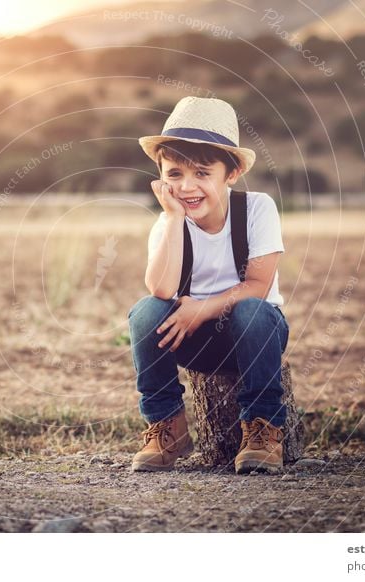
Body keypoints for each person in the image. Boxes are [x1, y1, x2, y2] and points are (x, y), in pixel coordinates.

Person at [128, 96, 290, 474]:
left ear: (230, 174)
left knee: (253, 310)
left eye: (202, 173)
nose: (187, 187)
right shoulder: (168, 224)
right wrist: (172, 220)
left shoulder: (257, 208)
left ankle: (264, 428)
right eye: (174, 174)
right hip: (194, 340)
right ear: (161, 175)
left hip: (253, 335)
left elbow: (258, 285)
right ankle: (166, 424)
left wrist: (201, 307)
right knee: (145, 312)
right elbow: (162, 291)